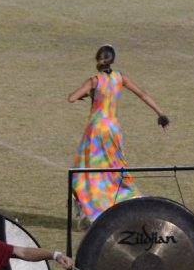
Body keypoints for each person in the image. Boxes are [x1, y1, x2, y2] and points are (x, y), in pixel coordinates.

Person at [67, 45, 170, 222]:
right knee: (116, 171)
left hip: (96, 131)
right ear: (112, 60)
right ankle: (133, 200)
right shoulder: (120, 78)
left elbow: (72, 98)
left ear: (97, 59)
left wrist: (88, 94)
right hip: (113, 130)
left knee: (82, 173)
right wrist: (160, 113)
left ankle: (87, 209)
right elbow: (142, 94)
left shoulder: (94, 80)